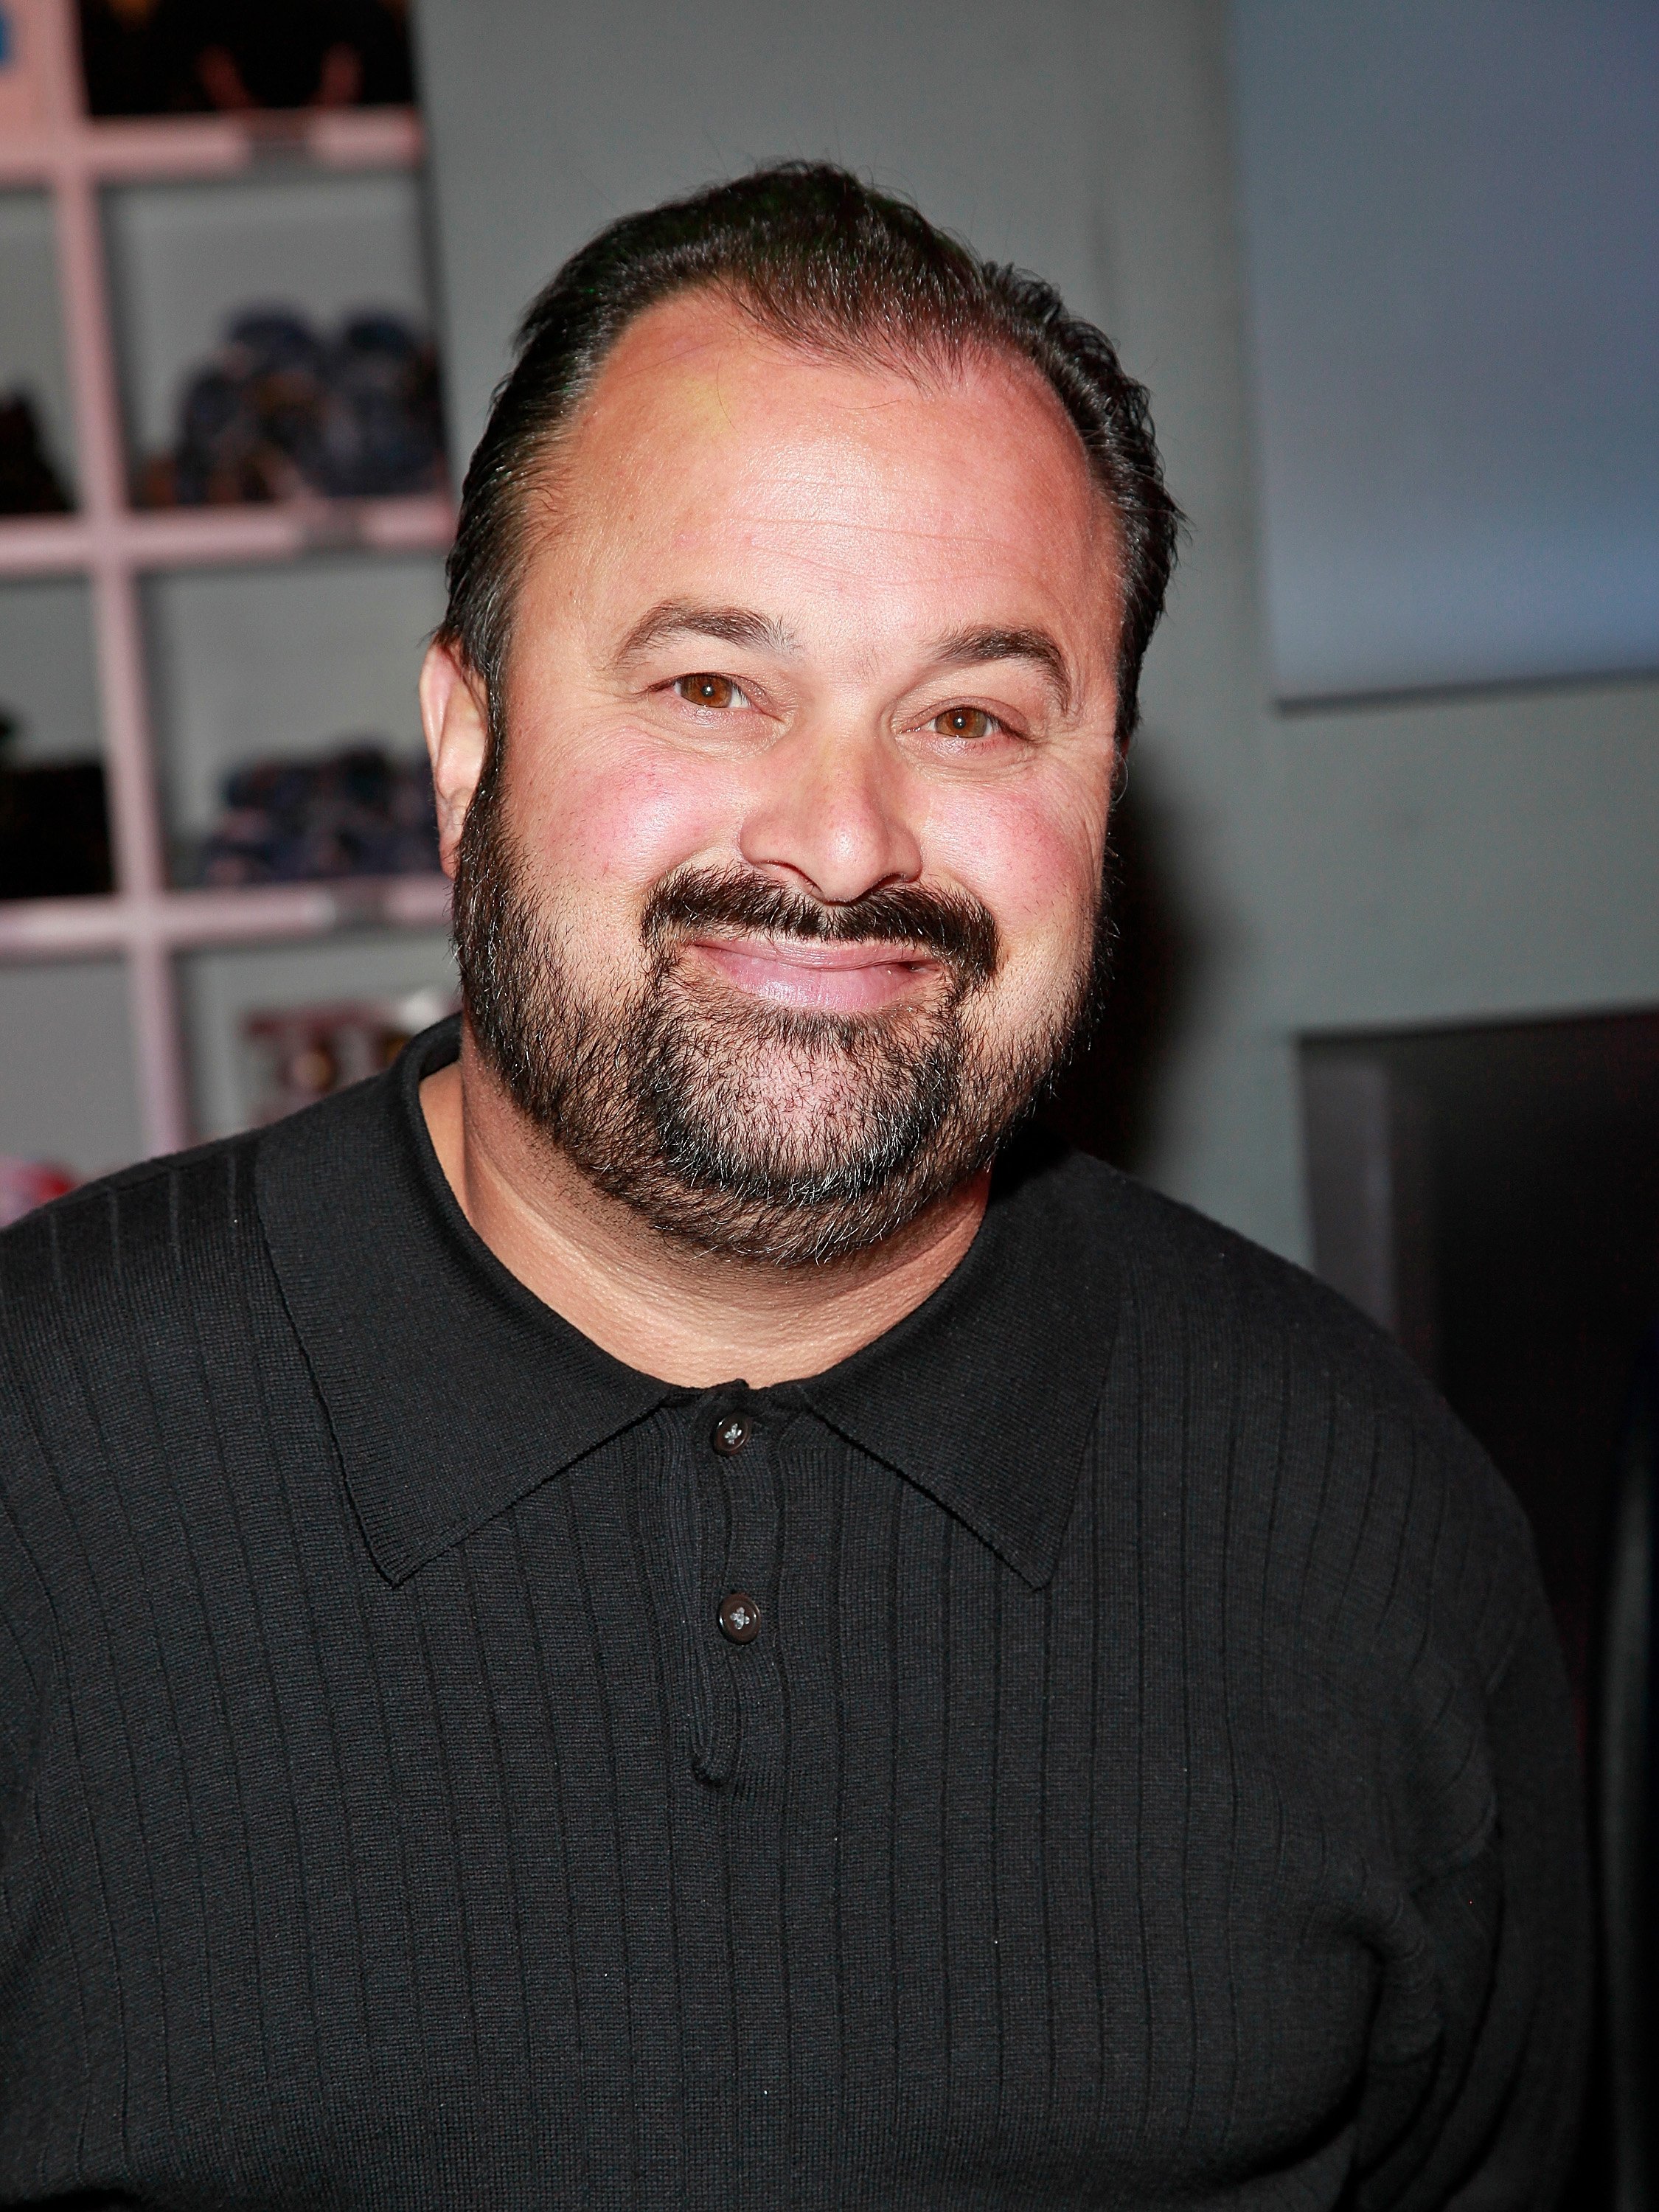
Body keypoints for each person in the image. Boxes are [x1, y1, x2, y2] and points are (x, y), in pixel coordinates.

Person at [0, 164, 1587, 2208]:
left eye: (975, 715)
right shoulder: (38, 1474)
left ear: (1106, 789)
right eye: (707, 685)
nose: (841, 841)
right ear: (465, 742)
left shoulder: (1363, 1524)